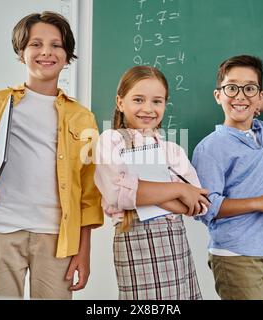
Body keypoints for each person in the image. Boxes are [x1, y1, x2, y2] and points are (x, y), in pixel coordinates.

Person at [0, 11, 103, 299]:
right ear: (21, 53)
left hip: (58, 237)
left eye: (56, 45)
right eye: (36, 44)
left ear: (68, 55)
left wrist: (84, 252)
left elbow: (89, 193)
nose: (46, 51)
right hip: (1, 230)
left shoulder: (83, 118)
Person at [192, 55, 263, 300]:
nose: (240, 95)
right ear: (218, 95)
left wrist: (254, 103)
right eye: (231, 88)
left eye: (249, 88)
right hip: (238, 256)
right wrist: (261, 201)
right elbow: (206, 208)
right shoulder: (211, 147)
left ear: (260, 95)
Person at [94, 65, 209, 300]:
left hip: (176, 247)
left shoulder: (171, 150)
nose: (148, 109)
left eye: (157, 101)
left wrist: (145, 191)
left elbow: (199, 204)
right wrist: (178, 189)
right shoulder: (111, 141)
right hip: (134, 246)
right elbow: (118, 194)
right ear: (120, 102)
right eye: (138, 99)